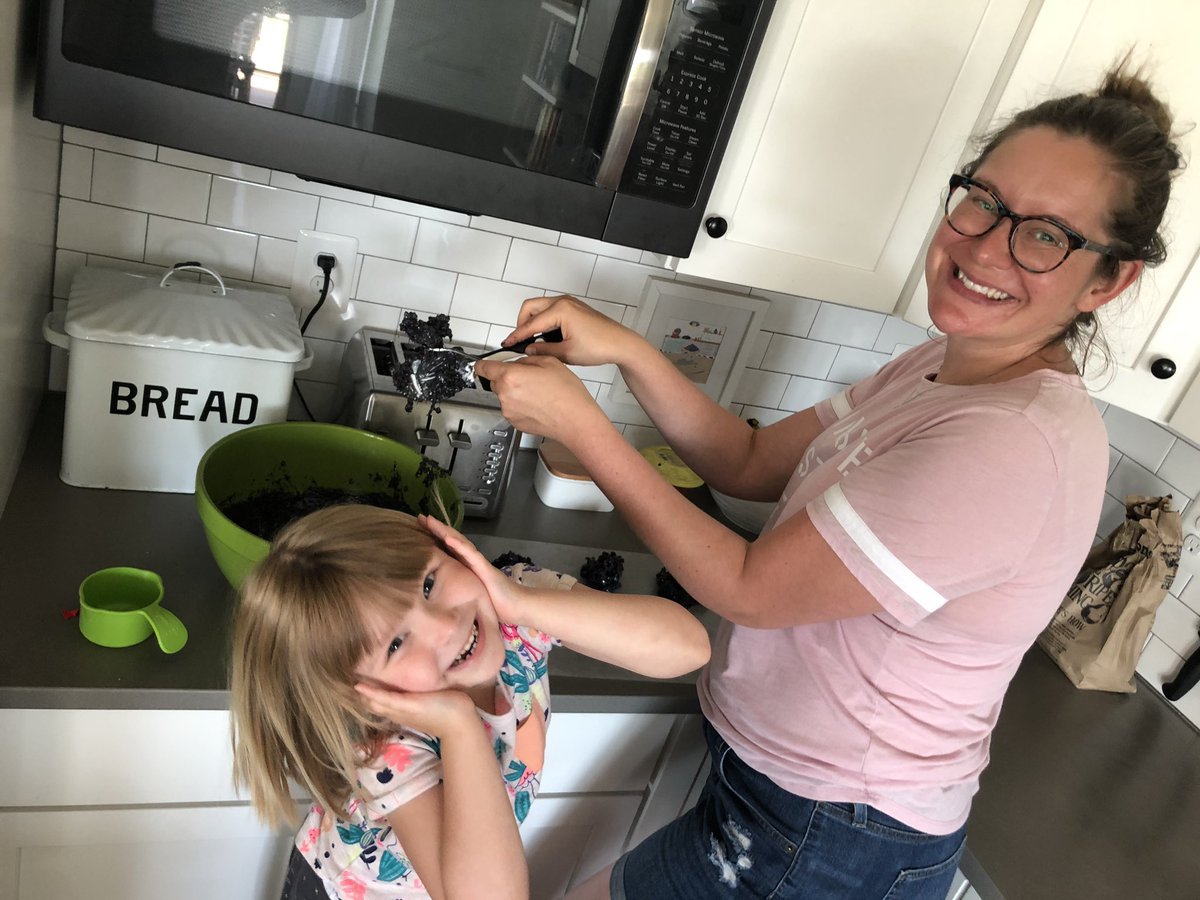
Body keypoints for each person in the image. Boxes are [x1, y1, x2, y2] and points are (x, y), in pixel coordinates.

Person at [472, 57, 1182, 900]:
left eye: (1045, 234)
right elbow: (747, 460)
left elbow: (751, 589)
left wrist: (582, 428)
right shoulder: (937, 367)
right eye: (983, 201)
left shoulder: (1013, 444)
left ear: (1110, 278)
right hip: (782, 792)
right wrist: (624, 350)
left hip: (836, 835)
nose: (985, 245)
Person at [229, 504, 711, 900]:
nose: (446, 626)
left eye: (429, 583)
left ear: (447, 546)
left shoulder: (515, 600)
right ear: (356, 692)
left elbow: (688, 648)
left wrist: (522, 604)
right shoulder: (385, 748)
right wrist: (459, 726)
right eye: (396, 645)